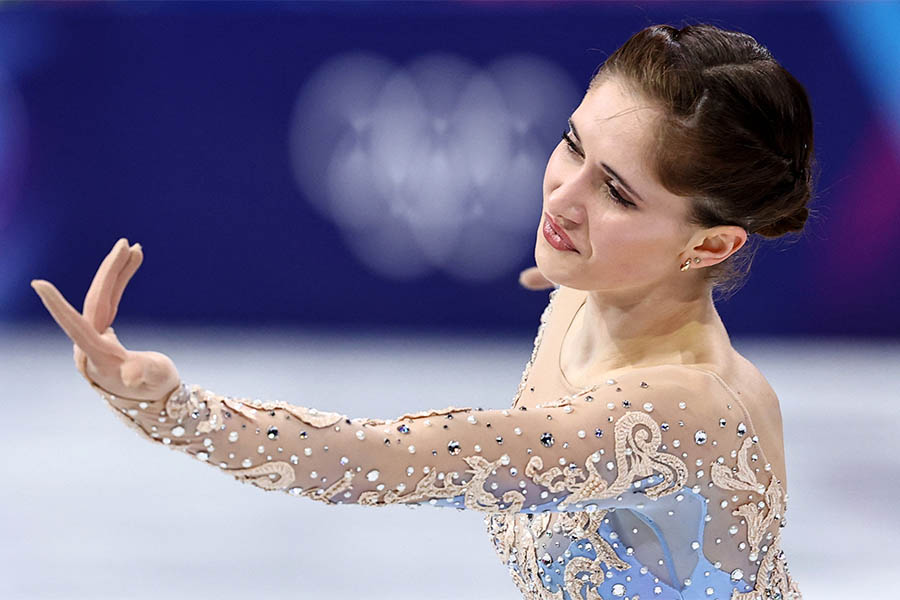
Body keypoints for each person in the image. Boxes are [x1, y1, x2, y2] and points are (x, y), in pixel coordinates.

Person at [31, 22, 811, 600]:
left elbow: (382, 460)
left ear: (710, 248)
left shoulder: (679, 407)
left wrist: (176, 410)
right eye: (571, 146)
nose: (562, 198)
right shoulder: (597, 285)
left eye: (615, 191)